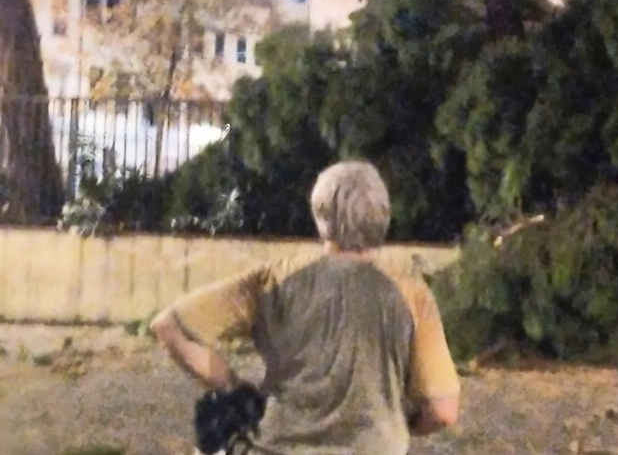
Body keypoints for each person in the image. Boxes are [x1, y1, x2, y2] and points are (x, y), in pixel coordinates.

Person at [149, 160, 461, 454]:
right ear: (382, 216)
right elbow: (442, 411)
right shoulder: (412, 295)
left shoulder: (274, 279)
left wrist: (233, 387)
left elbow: (169, 326)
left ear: (320, 214)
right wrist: (392, 422)